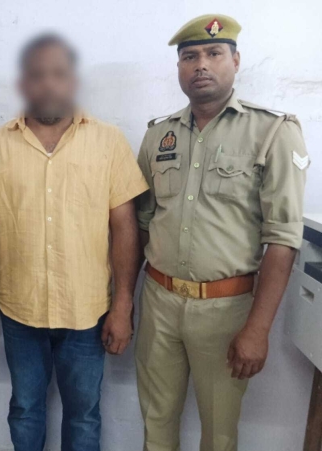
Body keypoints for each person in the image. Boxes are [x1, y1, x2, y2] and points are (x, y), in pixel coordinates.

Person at [0, 34, 149, 451]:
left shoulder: (109, 142)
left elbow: (125, 228)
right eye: (37, 75)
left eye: (58, 74)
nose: (48, 83)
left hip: (88, 312)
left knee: (83, 414)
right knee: (25, 409)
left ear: (73, 81)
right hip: (19, 310)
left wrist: (123, 305)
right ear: (23, 83)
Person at [135, 14, 309, 451]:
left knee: (219, 431)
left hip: (226, 309)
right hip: (158, 302)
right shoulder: (158, 136)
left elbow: (283, 239)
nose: (201, 65)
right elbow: (142, 223)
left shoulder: (273, 132)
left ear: (235, 60)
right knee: (155, 420)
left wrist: (258, 329)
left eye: (214, 53)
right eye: (189, 57)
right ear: (179, 67)